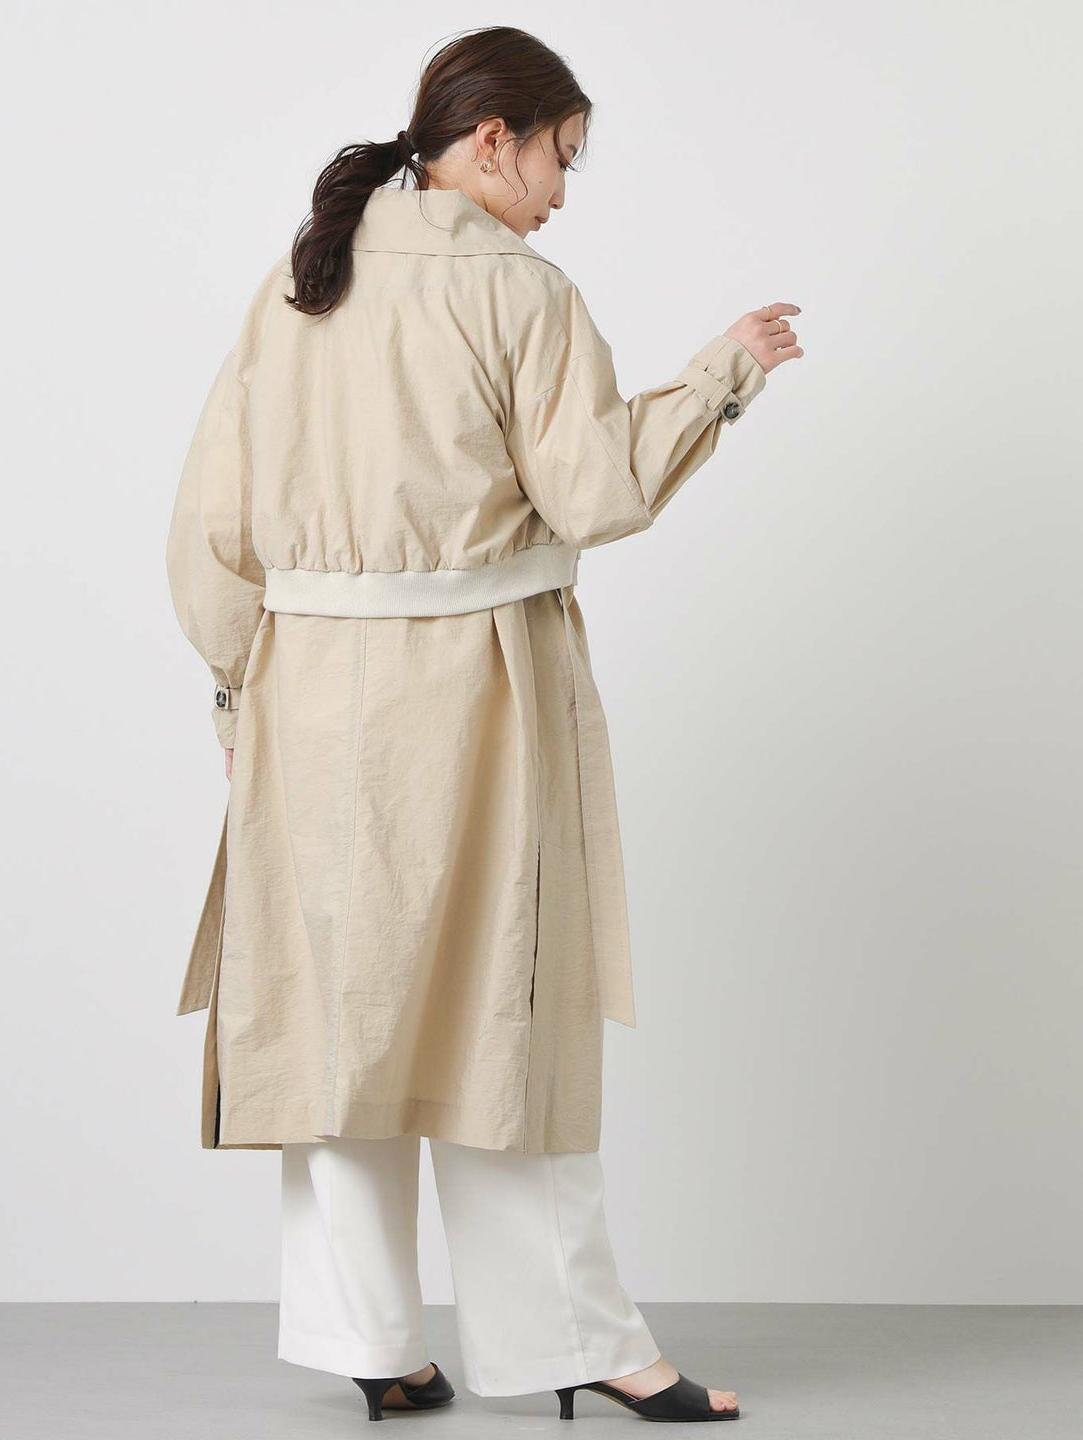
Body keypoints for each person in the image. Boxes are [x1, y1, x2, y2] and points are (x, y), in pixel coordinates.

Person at [165, 23, 802, 1425]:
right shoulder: (522, 292)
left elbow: (213, 516)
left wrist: (235, 687)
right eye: (561, 157)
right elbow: (593, 494)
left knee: (342, 1028)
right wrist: (721, 375)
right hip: (475, 695)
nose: (564, 193)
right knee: (503, 1013)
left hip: (305, 699)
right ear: (493, 140)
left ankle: (371, 1344)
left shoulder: (301, 281)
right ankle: (577, 1340)